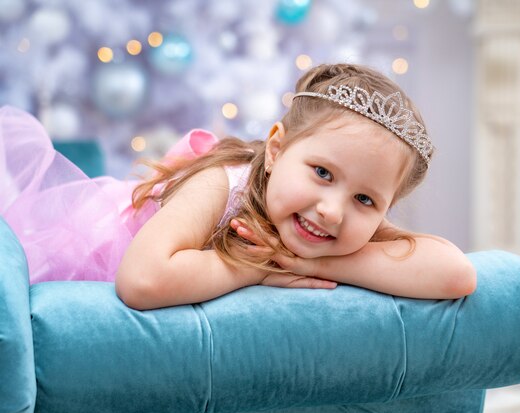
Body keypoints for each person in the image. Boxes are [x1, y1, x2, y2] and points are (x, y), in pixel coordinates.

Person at [0, 63, 475, 310]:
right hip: (92, 247)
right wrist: (257, 267)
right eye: (322, 173)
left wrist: (329, 262)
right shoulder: (219, 184)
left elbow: (457, 274)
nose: (332, 210)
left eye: (366, 200)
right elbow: (141, 281)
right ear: (275, 150)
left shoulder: (342, 220)